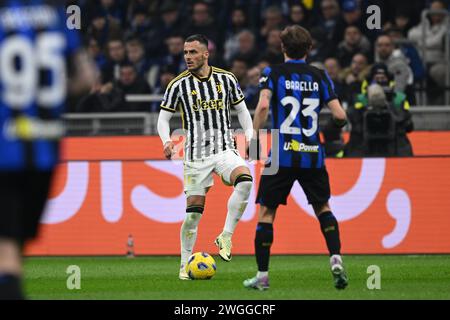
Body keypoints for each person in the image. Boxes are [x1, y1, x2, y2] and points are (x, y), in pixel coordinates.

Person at [243, 25, 349, 290]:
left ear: (282, 48)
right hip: (313, 155)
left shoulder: (273, 73)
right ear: (309, 49)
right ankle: (335, 258)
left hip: (281, 154)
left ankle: (263, 276)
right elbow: (340, 116)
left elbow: (264, 105)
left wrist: (254, 138)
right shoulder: (320, 76)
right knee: (323, 207)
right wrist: (325, 132)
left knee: (267, 212)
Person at [0, 0, 93, 299]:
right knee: (15, 247)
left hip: (5, 151)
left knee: (6, 253)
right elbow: (87, 79)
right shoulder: (56, 20)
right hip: (46, 154)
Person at [157, 34, 254, 280]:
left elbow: (242, 111)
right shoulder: (178, 85)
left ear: (206, 54)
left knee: (245, 180)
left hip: (223, 150)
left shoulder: (227, 79)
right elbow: (163, 118)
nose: (188, 57)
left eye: (193, 52)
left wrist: (250, 136)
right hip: (195, 158)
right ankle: (183, 266)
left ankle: (226, 236)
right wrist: (166, 141)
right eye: (185, 52)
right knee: (193, 215)